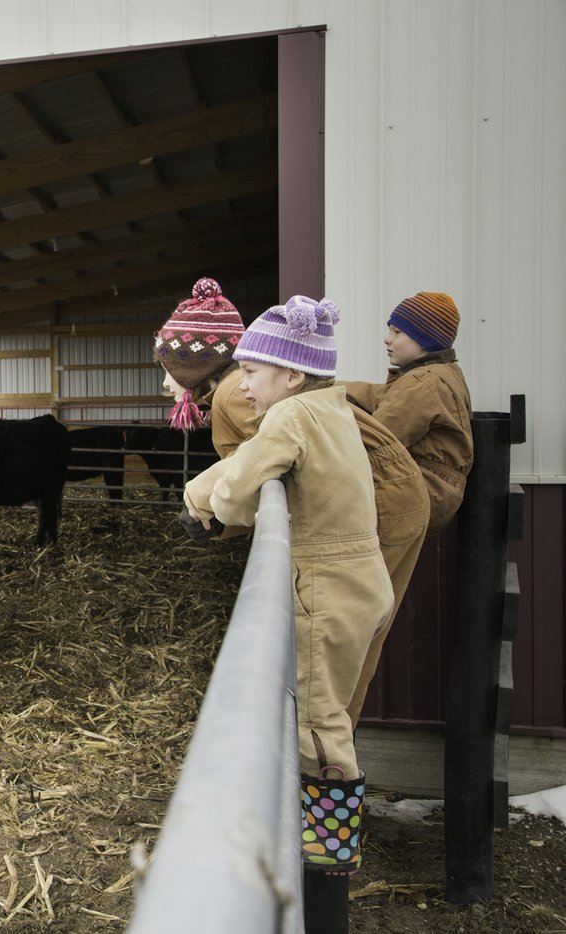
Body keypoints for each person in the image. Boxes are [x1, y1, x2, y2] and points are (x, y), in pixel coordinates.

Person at [180, 295, 394, 875]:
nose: (244, 385)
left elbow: (243, 483)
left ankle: (329, 854)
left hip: (328, 584)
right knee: (324, 709)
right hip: (359, 576)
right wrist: (199, 492)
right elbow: (255, 462)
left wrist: (211, 508)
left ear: (292, 375)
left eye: (252, 371)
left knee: (318, 719)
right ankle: (321, 832)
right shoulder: (330, 407)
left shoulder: (291, 416)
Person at [342, 291, 473, 534]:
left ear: (424, 339)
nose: (387, 339)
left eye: (397, 332)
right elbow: (381, 396)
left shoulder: (424, 383)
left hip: (420, 490)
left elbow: (378, 436)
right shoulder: (439, 373)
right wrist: (330, 388)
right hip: (433, 488)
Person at [151, 277, 248, 447]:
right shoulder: (226, 392)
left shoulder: (233, 396)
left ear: (195, 368)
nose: (165, 383)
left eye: (170, 370)